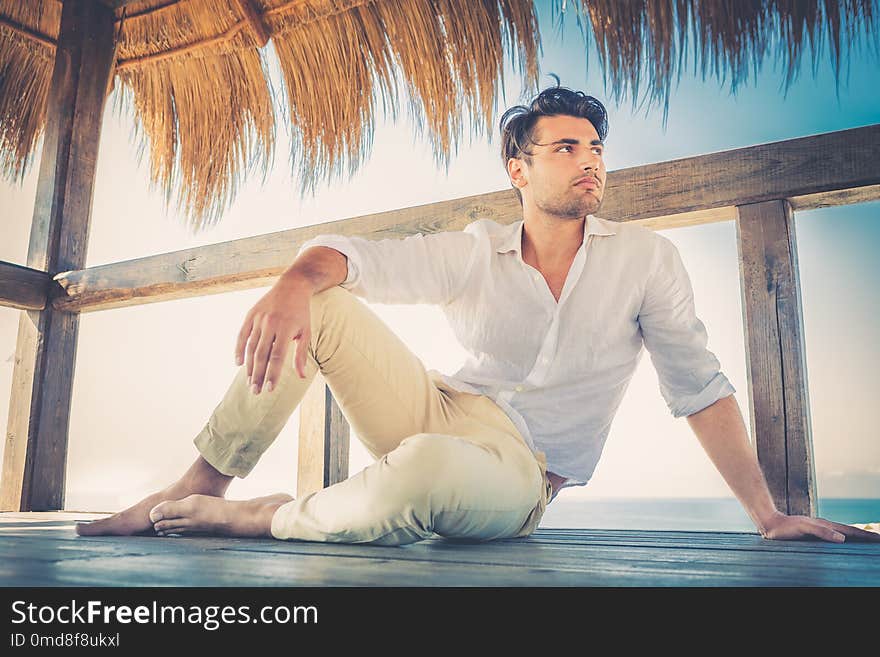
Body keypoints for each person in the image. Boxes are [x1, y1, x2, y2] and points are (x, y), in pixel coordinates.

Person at [77, 83, 879, 545]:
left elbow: (698, 387)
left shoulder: (645, 261)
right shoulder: (476, 249)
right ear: (518, 170)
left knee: (424, 471)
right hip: (439, 406)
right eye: (566, 147)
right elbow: (358, 255)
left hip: (519, 472)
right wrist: (295, 278)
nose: (590, 158)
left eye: (595, 145)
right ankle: (189, 485)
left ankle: (265, 516)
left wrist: (768, 513)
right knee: (320, 307)